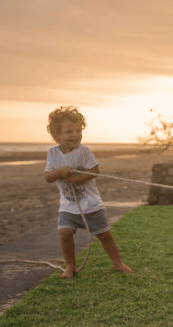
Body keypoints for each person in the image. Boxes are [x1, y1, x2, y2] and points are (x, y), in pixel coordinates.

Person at [44, 106, 133, 278]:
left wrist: (77, 179)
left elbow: (95, 170)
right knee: (65, 234)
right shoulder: (53, 154)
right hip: (68, 206)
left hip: (91, 205)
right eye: (69, 131)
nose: (75, 135)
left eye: (78, 130)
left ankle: (118, 263)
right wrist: (60, 172)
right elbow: (48, 177)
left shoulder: (83, 151)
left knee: (105, 236)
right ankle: (70, 266)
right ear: (56, 136)